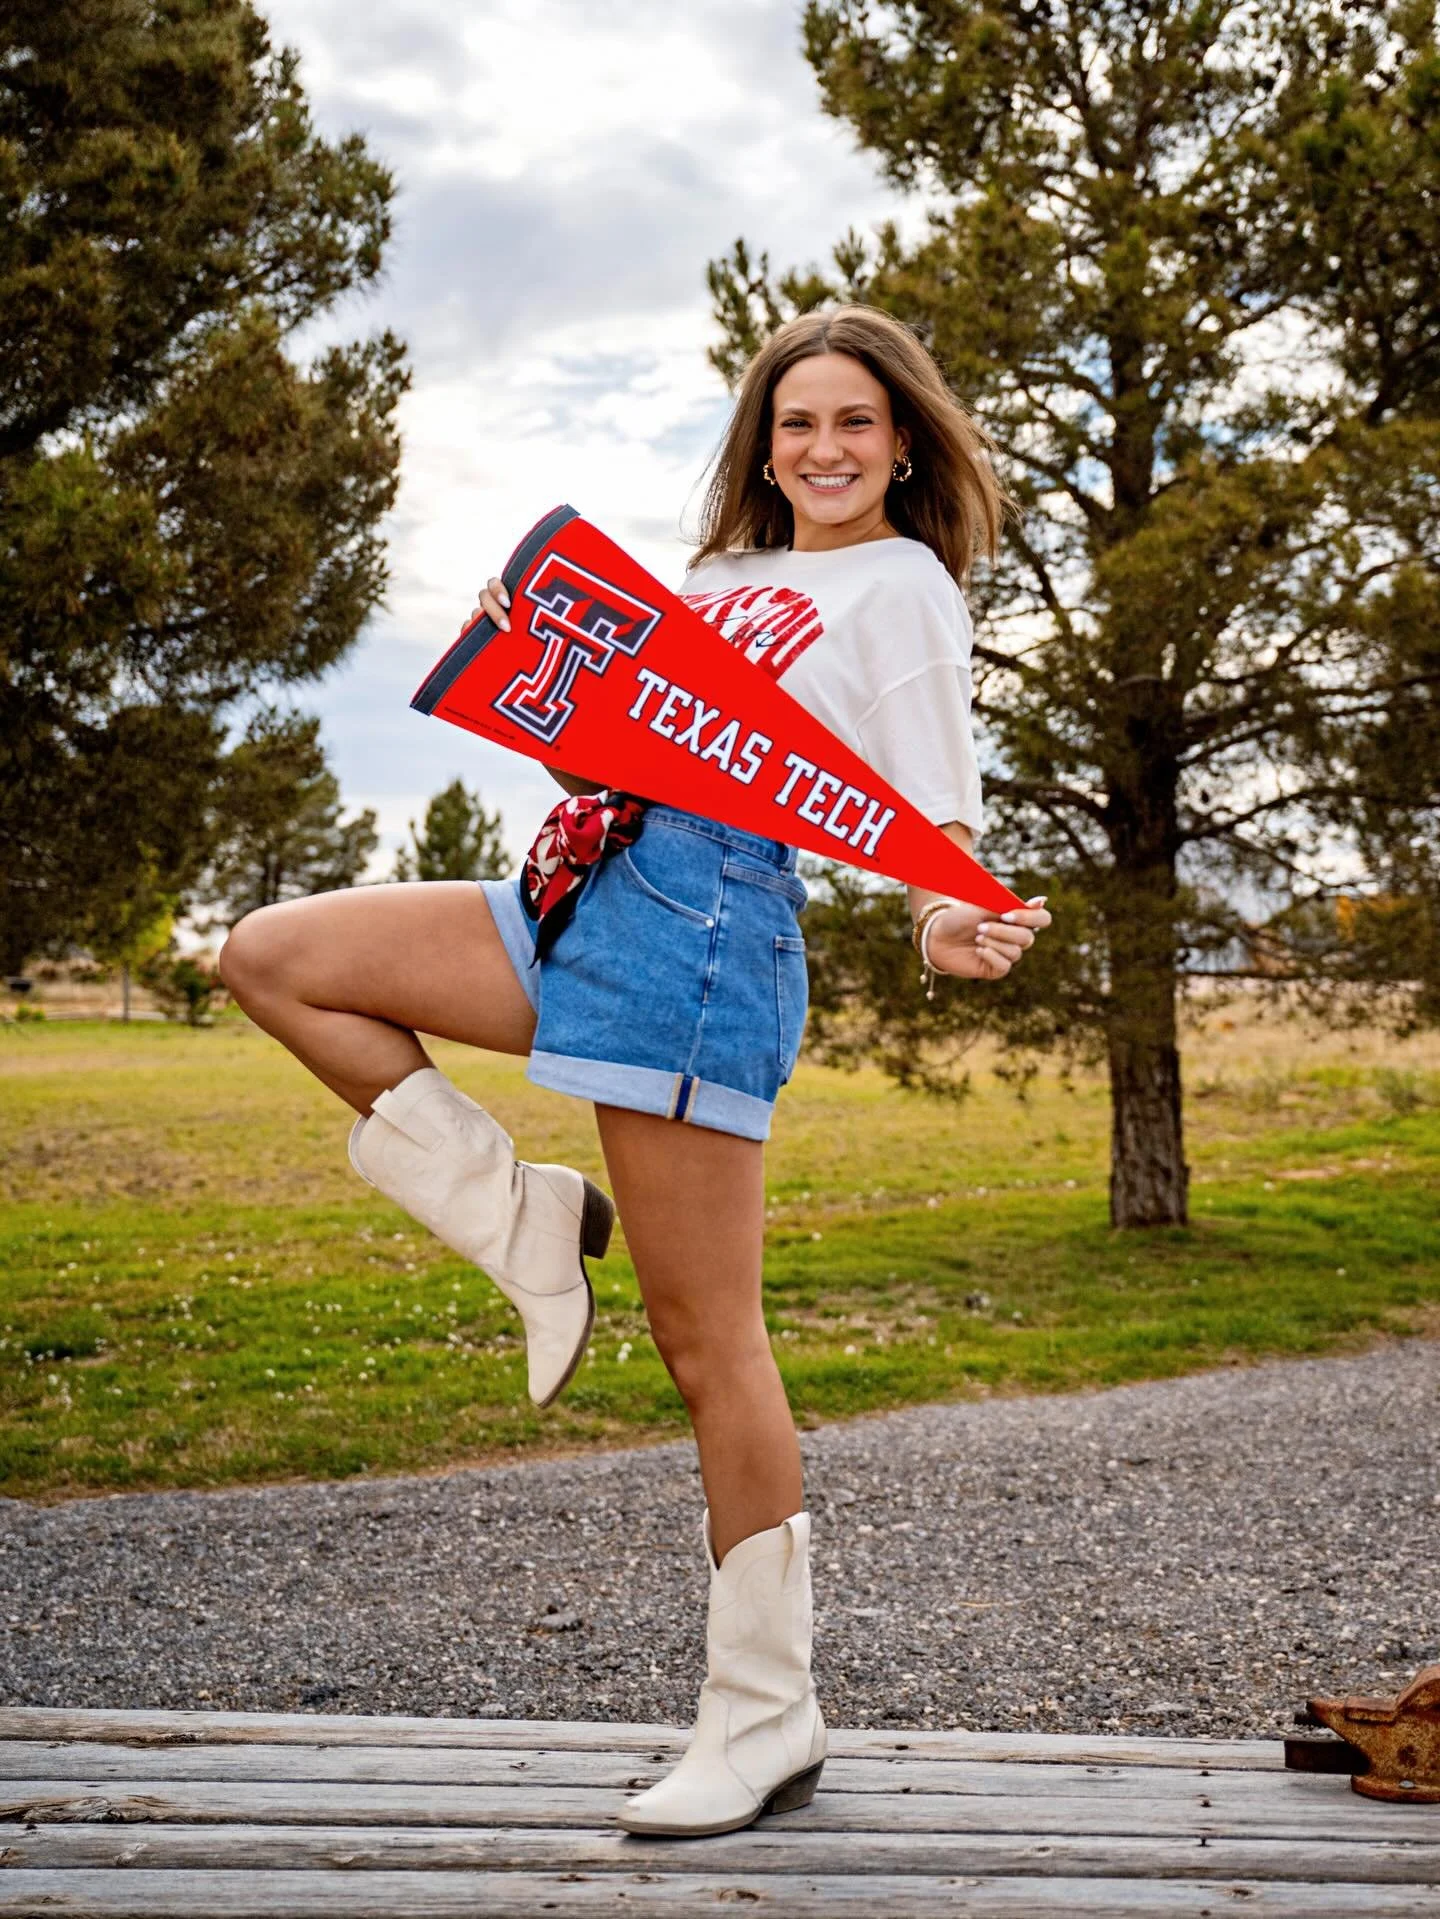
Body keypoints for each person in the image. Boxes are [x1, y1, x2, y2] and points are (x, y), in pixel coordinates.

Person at [218, 303, 1052, 1838]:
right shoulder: (721, 578)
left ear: (906, 440)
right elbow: (616, 758)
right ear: (764, 440)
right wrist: (532, 664)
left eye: (854, 422)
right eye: (796, 422)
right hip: (577, 882)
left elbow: (926, 807)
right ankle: (520, 1213)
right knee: (273, 953)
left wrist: (946, 916)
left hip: (710, 926)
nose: (824, 448)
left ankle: (763, 1712)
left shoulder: (903, 588)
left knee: (706, 1338)